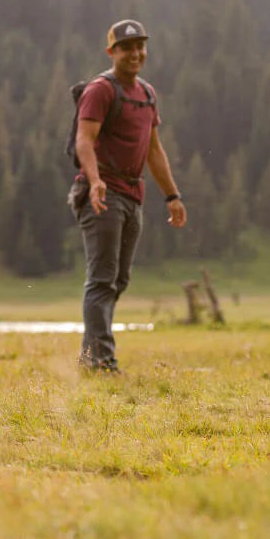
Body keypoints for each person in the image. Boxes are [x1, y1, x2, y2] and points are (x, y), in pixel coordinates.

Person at [68, 19, 187, 373]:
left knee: (119, 280)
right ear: (112, 52)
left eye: (140, 47)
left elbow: (153, 150)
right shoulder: (100, 90)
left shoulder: (147, 94)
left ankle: (91, 356)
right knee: (102, 278)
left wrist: (172, 196)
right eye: (127, 47)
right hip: (101, 195)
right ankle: (101, 361)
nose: (135, 53)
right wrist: (95, 181)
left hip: (133, 195)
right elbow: (83, 141)